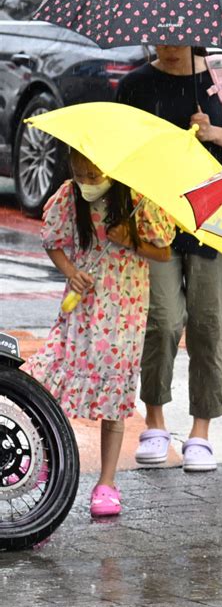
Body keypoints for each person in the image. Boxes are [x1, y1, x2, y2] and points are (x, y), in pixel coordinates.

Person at [116, 45, 222, 472]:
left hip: (214, 215)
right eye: (160, 38)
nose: (169, 46)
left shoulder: (218, 73)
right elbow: (118, 155)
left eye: (177, 38)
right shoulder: (135, 85)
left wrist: (211, 132)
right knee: (161, 322)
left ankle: (200, 432)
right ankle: (154, 422)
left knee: (208, 326)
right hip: (155, 217)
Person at [23, 149, 175, 517]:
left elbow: (164, 252)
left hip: (123, 312)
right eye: (81, 174)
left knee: (114, 393)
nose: (88, 183)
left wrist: (130, 240)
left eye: (94, 175)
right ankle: (47, 465)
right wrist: (70, 270)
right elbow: (53, 242)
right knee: (53, 384)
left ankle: (107, 482)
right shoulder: (68, 196)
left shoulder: (137, 199)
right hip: (82, 310)